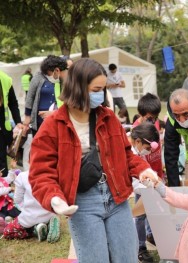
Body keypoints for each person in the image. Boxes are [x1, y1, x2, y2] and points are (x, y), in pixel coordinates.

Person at [28, 58, 157, 263]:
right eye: (96, 89)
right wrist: (55, 197)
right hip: (83, 203)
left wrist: (144, 171)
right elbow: (41, 172)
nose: (101, 95)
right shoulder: (53, 125)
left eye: (103, 89)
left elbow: (126, 155)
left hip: (117, 198)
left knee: (127, 258)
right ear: (78, 88)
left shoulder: (108, 117)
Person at [129, 122, 160, 263]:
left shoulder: (137, 151)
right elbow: (133, 182)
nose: (148, 152)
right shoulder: (128, 151)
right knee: (138, 216)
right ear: (137, 141)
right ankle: (139, 248)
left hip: (138, 187)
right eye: (147, 148)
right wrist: (152, 187)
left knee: (143, 213)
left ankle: (142, 242)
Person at [3, 168, 61, 242]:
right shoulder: (52, 173)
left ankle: (34, 230)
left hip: (30, 217)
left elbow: (17, 200)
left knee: (7, 232)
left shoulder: (22, 176)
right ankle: (48, 224)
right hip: (50, 213)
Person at [23, 55, 69, 137]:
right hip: (40, 120)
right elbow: (30, 97)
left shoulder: (62, 79)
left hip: (57, 118)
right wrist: (27, 116)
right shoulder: (38, 77)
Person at [0, 70, 24, 176]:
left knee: (2, 164)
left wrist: (18, 122)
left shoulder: (5, 79)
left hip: (2, 131)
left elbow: (13, 103)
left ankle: (3, 189)